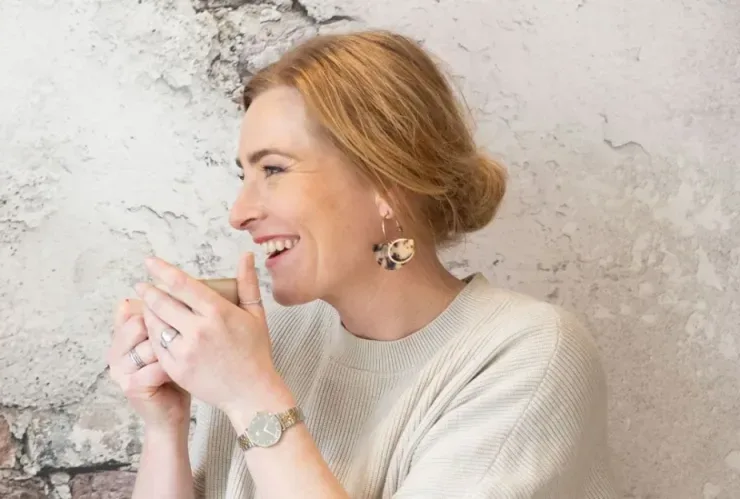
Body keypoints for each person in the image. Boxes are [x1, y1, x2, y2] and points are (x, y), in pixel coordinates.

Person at [106, 30, 614, 498]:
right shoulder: (272, 339)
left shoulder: (527, 356)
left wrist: (251, 395)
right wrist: (165, 426)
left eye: (274, 169)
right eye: (244, 174)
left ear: (385, 179)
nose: (239, 213)